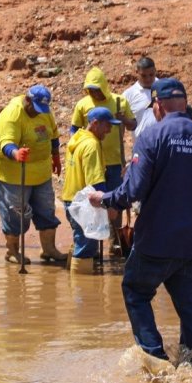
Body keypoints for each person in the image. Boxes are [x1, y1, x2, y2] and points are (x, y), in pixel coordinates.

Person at [89, 78, 192, 374]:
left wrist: (103, 199)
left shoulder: (152, 136)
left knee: (135, 290)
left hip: (155, 242)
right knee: (190, 308)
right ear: (185, 104)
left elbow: (132, 190)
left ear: (157, 106)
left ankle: (156, 360)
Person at [0, 85, 67, 264]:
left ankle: (48, 249)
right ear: (28, 100)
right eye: (36, 108)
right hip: (14, 174)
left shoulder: (44, 111)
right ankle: (12, 251)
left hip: (41, 172)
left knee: (46, 209)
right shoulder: (12, 115)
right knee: (17, 213)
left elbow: (53, 134)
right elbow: (6, 143)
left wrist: (56, 156)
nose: (39, 113)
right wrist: (16, 153)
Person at [71, 67, 137, 255]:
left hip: (115, 161)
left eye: (97, 89)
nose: (94, 93)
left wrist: (122, 118)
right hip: (92, 162)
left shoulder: (119, 101)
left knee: (115, 201)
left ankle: (115, 239)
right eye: (90, 90)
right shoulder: (83, 104)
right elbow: (74, 130)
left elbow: (133, 125)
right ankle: (92, 239)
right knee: (93, 200)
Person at [62, 107, 122, 274]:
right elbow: (95, 182)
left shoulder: (77, 138)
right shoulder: (92, 145)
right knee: (87, 247)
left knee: (80, 241)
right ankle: (83, 293)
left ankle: (73, 279)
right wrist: (108, 205)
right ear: (95, 123)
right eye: (107, 126)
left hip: (70, 199)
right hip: (83, 203)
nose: (110, 130)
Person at [121, 56, 158, 141]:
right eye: (144, 76)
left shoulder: (164, 87)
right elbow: (122, 123)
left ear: (155, 71)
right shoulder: (128, 95)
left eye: (151, 75)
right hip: (141, 147)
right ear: (137, 72)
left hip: (164, 144)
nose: (148, 79)